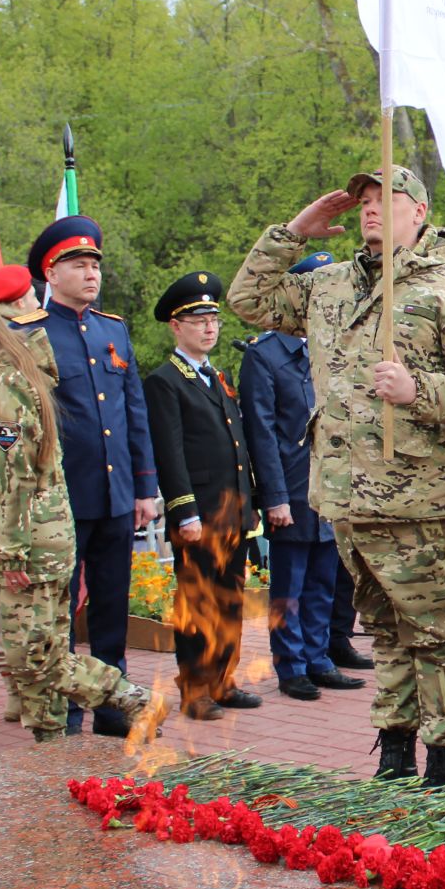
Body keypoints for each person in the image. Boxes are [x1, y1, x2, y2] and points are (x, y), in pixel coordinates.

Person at [228, 165, 445, 790]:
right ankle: (397, 749)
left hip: (415, 496)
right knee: (383, 630)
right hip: (344, 493)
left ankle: (444, 759)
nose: (372, 207)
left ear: (421, 212)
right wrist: (295, 231)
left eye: (388, 197)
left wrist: (417, 389)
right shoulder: (328, 285)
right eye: (365, 199)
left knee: (433, 631)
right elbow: (248, 301)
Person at [0, 293, 160, 740]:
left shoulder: (4, 385)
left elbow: (17, 476)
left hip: (31, 541)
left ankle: (131, 699)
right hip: (24, 536)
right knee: (40, 651)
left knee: (33, 656)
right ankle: (49, 746)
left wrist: (13, 550)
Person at [15, 216, 161, 737]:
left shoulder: (112, 329)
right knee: (57, 610)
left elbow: (133, 410)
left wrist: (145, 486)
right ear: (49, 273)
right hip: (61, 498)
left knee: (111, 606)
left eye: (95, 264)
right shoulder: (27, 334)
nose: (90, 273)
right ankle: (65, 707)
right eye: (78, 264)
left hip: (116, 492)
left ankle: (112, 705)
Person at [238, 253, 366, 701]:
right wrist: (273, 496)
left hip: (330, 485)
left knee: (322, 582)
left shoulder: (336, 346)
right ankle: (290, 665)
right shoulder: (265, 355)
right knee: (289, 585)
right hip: (291, 486)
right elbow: (263, 432)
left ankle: (318, 657)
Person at [143, 271, 263, 719]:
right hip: (200, 515)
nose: (209, 327)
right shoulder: (165, 381)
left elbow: (238, 447)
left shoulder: (218, 376)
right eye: (197, 319)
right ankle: (195, 689)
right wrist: (184, 510)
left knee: (229, 599)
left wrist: (250, 504)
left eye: (213, 318)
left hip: (232, 512)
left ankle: (223, 680)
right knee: (197, 604)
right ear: (176, 327)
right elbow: (171, 454)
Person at [0, 261, 53, 722]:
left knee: (20, 606)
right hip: (16, 508)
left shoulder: (1, 361)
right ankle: (23, 688)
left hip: (9, 507)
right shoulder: (9, 365)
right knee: (18, 606)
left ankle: (22, 685)